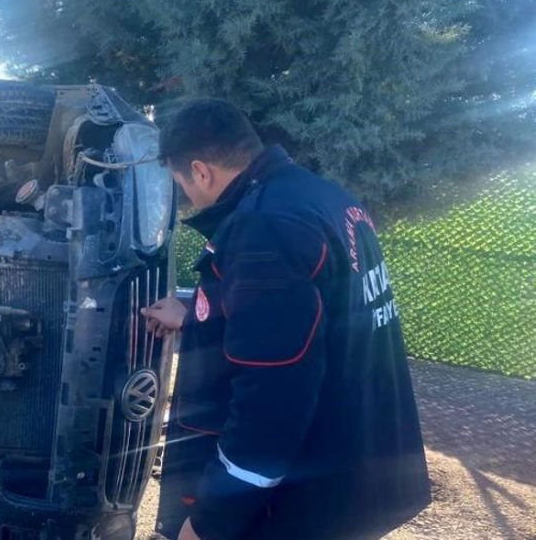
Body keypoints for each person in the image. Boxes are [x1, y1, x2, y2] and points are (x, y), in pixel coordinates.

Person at [144, 99, 430, 540]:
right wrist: (197, 316)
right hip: (361, 467)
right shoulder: (324, 197)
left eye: (183, 184)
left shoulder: (265, 226)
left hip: (305, 498)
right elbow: (317, 318)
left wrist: (210, 522)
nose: (188, 199)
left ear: (201, 171)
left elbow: (274, 396)